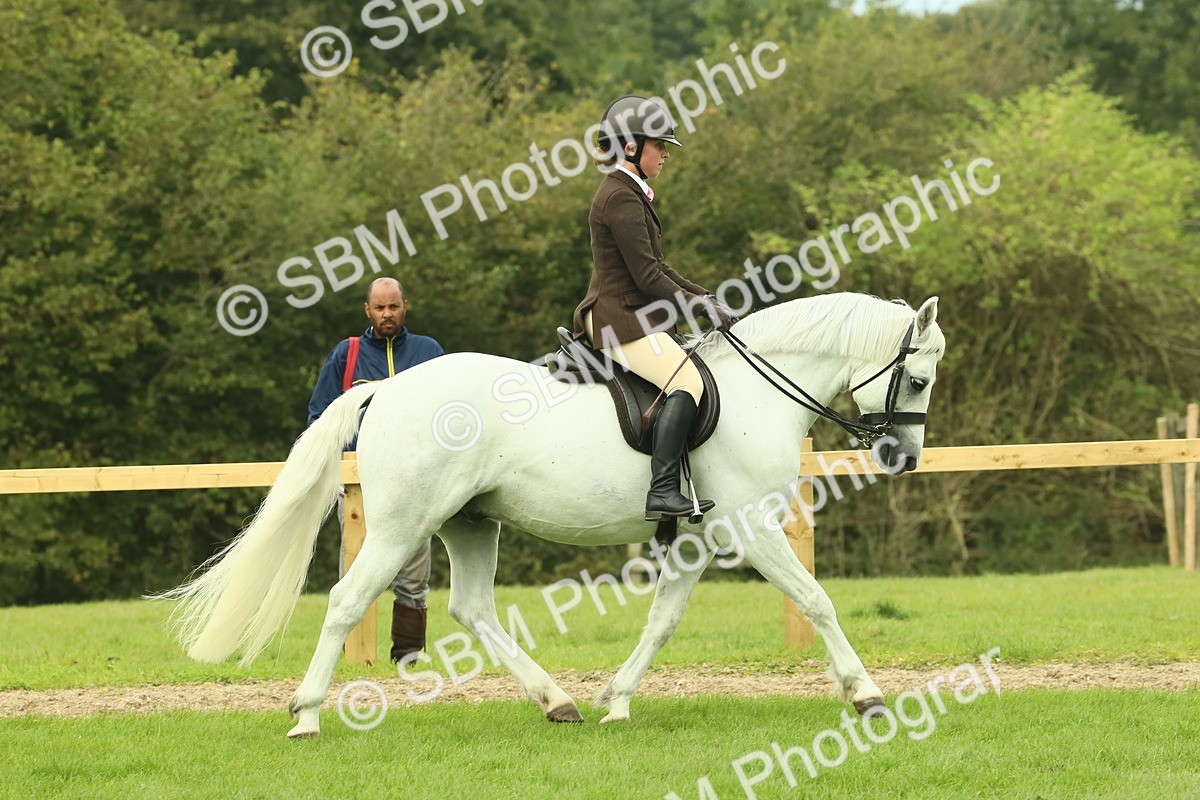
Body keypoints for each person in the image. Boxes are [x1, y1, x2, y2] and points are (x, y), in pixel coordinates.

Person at [571, 95, 737, 522]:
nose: (665, 154)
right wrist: (697, 308)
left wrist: (705, 298)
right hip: (617, 317)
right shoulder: (620, 197)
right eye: (659, 145)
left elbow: (658, 267)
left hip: (628, 313)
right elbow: (647, 278)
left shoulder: (627, 191)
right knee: (687, 381)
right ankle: (662, 490)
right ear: (631, 146)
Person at [307, 277, 443, 663]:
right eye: (380, 307)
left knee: (414, 577)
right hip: (358, 485)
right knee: (355, 572)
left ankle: (409, 657)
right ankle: (351, 656)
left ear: (405, 306)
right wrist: (337, 472)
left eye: (394, 306)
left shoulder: (429, 352)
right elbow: (320, 418)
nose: (387, 314)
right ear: (367, 310)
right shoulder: (346, 354)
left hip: (416, 482)